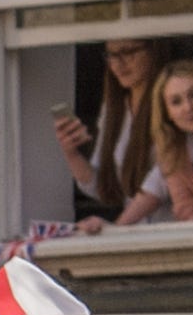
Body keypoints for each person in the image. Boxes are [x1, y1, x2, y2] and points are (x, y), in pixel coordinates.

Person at [89, 60, 193, 233]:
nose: (188, 107)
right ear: (167, 114)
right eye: (176, 102)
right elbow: (155, 193)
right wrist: (112, 230)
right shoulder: (177, 154)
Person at [55, 38, 167, 227]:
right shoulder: (115, 110)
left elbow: (161, 180)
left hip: (170, 230)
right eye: (112, 55)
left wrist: (117, 229)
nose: (119, 63)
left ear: (152, 51)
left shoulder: (172, 104)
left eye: (129, 52)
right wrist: (71, 152)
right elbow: (102, 187)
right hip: (135, 233)